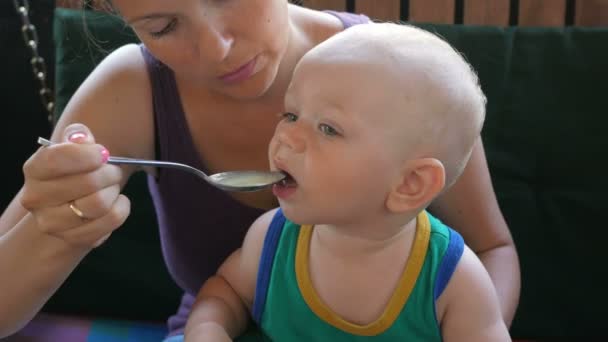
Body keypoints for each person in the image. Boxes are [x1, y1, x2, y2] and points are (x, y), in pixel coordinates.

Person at [0, 0, 519, 339]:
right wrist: (55, 226)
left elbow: (492, 247)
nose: (218, 49)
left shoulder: (406, 80)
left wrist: (465, 321)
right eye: (163, 27)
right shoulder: (130, 88)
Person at [182, 23, 511, 342]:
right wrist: (208, 328)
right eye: (291, 115)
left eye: (328, 128)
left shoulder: (454, 279)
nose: (287, 137)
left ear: (410, 184)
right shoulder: (273, 239)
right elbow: (225, 293)